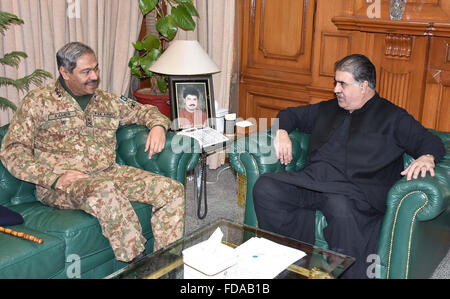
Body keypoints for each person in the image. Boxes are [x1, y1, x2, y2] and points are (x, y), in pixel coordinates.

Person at [252, 54, 445, 278]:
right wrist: (282, 132)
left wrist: (427, 156)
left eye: (342, 83)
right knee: (266, 187)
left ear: (364, 86)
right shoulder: (329, 108)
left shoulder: (392, 117)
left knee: (340, 208)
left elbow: (430, 142)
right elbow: (290, 114)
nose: (335, 89)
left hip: (355, 191)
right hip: (313, 181)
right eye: (335, 82)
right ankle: (293, 258)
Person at [0, 42, 185, 263]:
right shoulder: (38, 101)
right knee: (104, 190)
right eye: (86, 72)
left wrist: (157, 127)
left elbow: (145, 111)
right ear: (64, 72)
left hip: (107, 172)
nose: (94, 76)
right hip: (63, 184)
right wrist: (53, 178)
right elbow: (13, 150)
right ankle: (138, 263)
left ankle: (167, 264)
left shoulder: (107, 100)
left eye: (96, 68)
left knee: (171, 190)